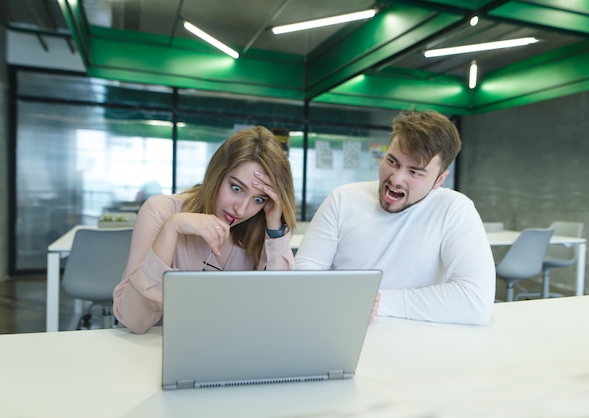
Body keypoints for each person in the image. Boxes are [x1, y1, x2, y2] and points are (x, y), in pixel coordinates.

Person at [295, 110, 495, 325]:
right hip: (344, 329)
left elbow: (476, 302)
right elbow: (303, 274)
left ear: (439, 180)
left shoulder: (454, 209)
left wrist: (372, 301)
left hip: (419, 342)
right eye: (392, 162)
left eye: (415, 172)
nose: (396, 179)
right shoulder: (343, 199)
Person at [114, 126, 297, 333]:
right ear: (216, 174)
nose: (241, 209)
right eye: (236, 188)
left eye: (258, 199)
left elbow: (279, 315)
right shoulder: (161, 211)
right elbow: (133, 320)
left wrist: (274, 224)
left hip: (237, 353)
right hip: (159, 352)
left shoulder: (258, 224)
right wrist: (171, 228)